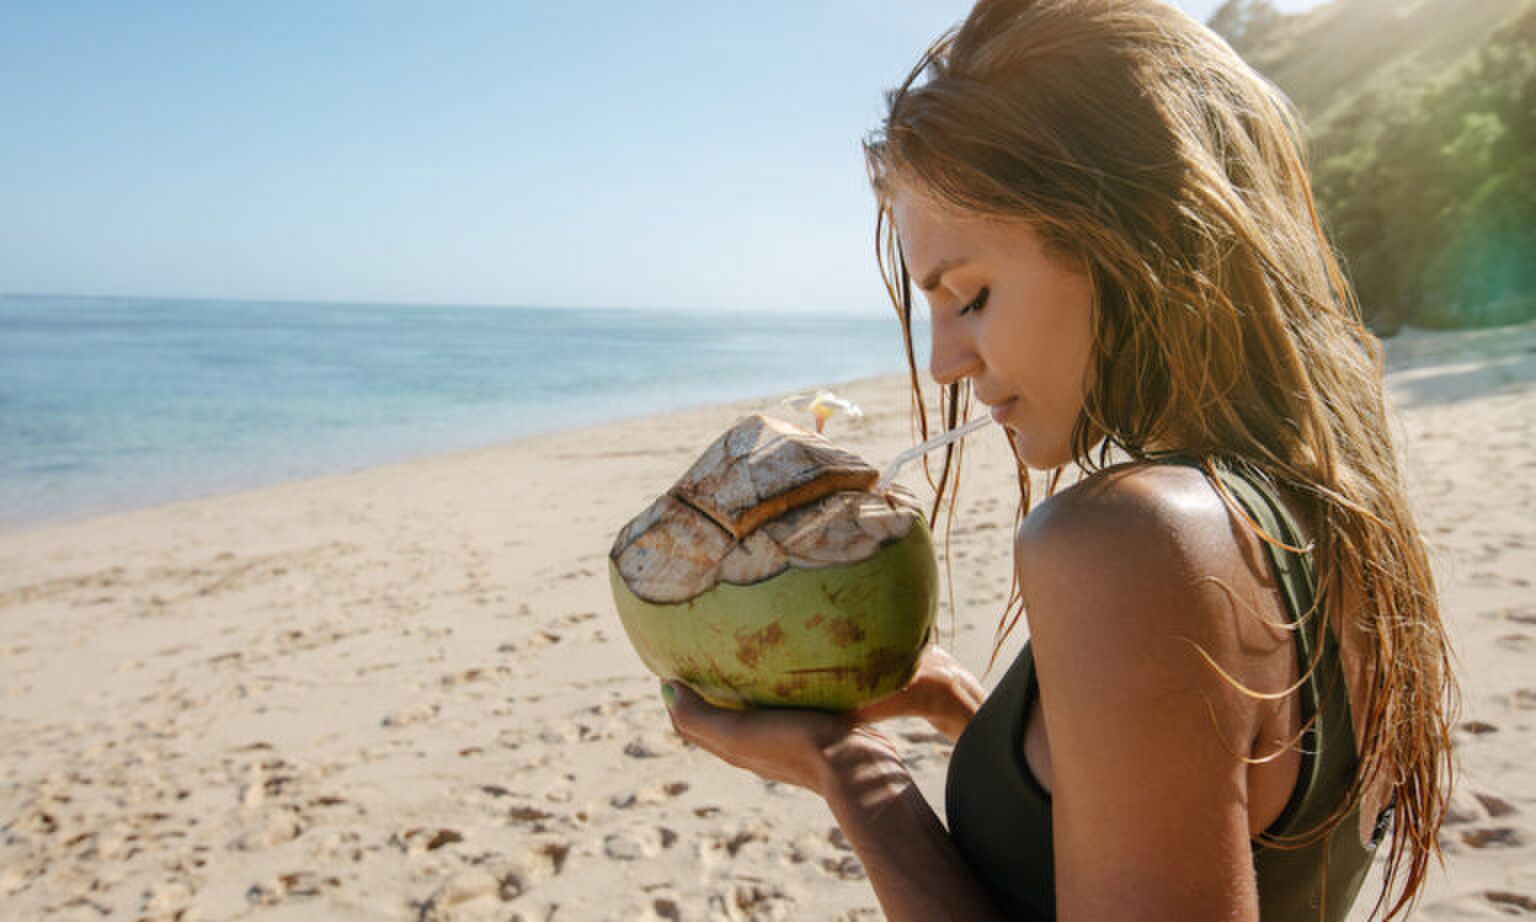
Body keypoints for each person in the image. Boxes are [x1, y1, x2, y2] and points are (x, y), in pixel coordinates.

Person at [660, 0, 1457, 918]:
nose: (945, 363)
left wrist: (850, 774)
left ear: (1133, 235)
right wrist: (966, 707)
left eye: (971, 295)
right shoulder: (1327, 503)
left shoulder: (1131, 540)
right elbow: (1192, 792)